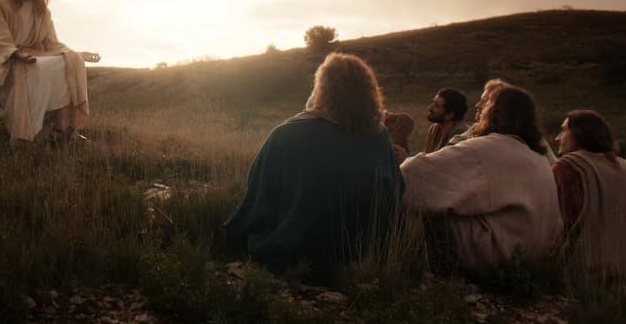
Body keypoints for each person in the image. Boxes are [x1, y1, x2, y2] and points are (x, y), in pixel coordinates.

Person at [223, 53, 404, 277]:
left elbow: (259, 199)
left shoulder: (287, 134)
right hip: (365, 253)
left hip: (301, 254)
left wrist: (233, 230)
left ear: (322, 89)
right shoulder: (379, 135)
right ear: (368, 91)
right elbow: (397, 188)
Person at [399, 86, 563, 276]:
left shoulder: (487, 148)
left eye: (486, 105)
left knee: (426, 206)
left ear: (494, 113)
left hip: (500, 256)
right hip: (536, 257)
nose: (479, 107)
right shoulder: (539, 159)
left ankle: (432, 275)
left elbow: (413, 174)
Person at [0, 0, 101, 142]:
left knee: (69, 62)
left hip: (33, 56)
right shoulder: (0, 1)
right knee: (38, 67)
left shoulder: (40, 8)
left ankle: (63, 128)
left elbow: (51, 43)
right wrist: (15, 54)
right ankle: (29, 133)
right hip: (3, 61)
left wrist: (76, 54)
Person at [552, 110, 626, 283]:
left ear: (579, 134)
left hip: (594, 276)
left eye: (563, 130)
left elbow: (559, 225)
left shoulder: (567, 168)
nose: (557, 138)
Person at [449, 79, 558, 164]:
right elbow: (453, 145)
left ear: (499, 107)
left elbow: (552, 167)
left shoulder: (531, 138)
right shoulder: (477, 128)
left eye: (484, 102)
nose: (477, 105)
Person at [423, 88, 469, 153]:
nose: (430, 108)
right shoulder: (435, 128)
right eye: (433, 103)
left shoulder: (460, 133)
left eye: (436, 106)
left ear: (449, 115)